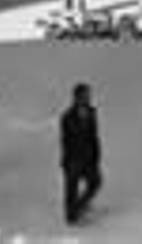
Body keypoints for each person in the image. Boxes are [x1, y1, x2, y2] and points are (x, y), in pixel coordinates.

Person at [60, 83, 102, 225]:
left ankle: (80, 205)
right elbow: (66, 141)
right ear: (76, 97)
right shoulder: (67, 117)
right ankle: (71, 215)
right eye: (84, 95)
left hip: (89, 157)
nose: (87, 98)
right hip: (74, 158)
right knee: (71, 187)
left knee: (95, 182)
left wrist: (96, 154)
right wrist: (67, 161)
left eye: (88, 95)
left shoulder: (92, 112)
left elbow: (94, 135)